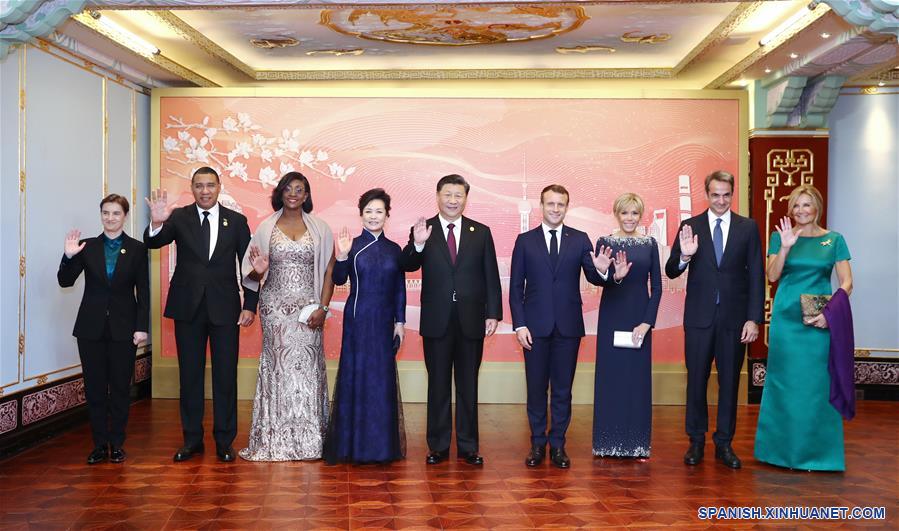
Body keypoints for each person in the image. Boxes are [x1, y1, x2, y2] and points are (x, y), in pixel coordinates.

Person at [144, 166, 258, 463]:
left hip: (225, 309)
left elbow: (250, 268)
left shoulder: (236, 221)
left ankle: (224, 441)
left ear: (219, 187)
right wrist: (156, 222)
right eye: (199, 186)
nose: (205, 191)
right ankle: (192, 439)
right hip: (188, 308)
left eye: (210, 185)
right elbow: (154, 241)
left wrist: (250, 305)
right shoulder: (179, 217)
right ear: (192, 189)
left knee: (225, 376)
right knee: (190, 376)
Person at [400, 174, 502, 466]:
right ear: (438, 196)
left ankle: (469, 447)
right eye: (448, 194)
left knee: (468, 385)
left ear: (466, 198)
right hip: (437, 319)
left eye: (459, 195)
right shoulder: (424, 229)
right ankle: (439, 446)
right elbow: (407, 264)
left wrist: (493, 312)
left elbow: (490, 276)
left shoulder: (480, 232)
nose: (453, 200)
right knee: (439, 384)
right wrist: (418, 245)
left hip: (471, 319)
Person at [665, 170, 764, 469]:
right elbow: (671, 270)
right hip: (698, 318)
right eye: (715, 194)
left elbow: (757, 275)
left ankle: (724, 443)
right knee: (696, 381)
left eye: (726, 195)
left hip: (735, 321)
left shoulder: (748, 228)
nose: (720, 200)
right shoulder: (690, 226)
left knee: (730, 382)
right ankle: (696, 441)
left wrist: (753, 319)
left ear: (732, 194)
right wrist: (684, 256)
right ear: (706, 194)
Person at [754, 184, 853, 471]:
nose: (801, 211)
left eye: (807, 205)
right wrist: (784, 248)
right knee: (784, 383)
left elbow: (847, 282)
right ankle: (779, 453)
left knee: (817, 384)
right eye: (796, 206)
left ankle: (820, 455)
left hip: (820, 322)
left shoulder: (834, 240)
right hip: (786, 322)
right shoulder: (779, 237)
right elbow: (772, 276)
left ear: (817, 208)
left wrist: (831, 314)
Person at [239, 172, 335, 461]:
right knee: (279, 370)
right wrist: (258, 268)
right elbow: (253, 274)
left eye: (300, 190)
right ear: (280, 193)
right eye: (288, 189)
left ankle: (312, 442)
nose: (293, 193)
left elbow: (330, 272)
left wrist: (324, 308)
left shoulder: (320, 228)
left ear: (306, 195)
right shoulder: (265, 228)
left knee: (306, 371)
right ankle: (275, 439)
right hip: (275, 310)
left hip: (310, 311)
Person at [509, 184, 605, 468]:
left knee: (563, 390)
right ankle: (537, 444)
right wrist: (519, 325)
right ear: (541, 206)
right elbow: (516, 288)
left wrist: (601, 269)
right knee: (536, 389)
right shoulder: (525, 241)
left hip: (568, 327)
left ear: (567, 206)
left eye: (560, 204)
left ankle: (558, 445)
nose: (555, 209)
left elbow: (594, 278)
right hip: (534, 329)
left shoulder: (581, 239)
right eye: (550, 204)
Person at [58, 194, 149, 464]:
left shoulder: (137, 248)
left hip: (125, 329)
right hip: (90, 329)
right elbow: (65, 281)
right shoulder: (87, 246)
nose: (110, 218)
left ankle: (117, 444)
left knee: (120, 388)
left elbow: (143, 291)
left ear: (125, 216)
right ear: (101, 216)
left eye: (116, 213)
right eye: (106, 213)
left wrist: (141, 327)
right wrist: (68, 256)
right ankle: (99, 444)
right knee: (95, 389)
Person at [323, 188, 407, 464]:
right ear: (361, 215)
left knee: (380, 381)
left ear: (387, 216)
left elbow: (399, 290)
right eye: (368, 211)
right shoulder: (353, 246)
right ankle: (352, 446)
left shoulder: (395, 250)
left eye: (379, 211)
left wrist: (400, 322)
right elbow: (338, 279)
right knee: (357, 378)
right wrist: (343, 254)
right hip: (358, 320)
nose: (373, 216)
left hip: (384, 323)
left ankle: (380, 447)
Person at [592, 193, 662, 459]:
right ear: (616, 214)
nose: (630, 218)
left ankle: (636, 444)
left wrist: (647, 323)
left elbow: (656, 287)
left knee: (636, 382)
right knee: (612, 379)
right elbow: (603, 281)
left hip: (639, 320)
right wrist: (612, 276)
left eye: (634, 213)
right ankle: (606, 443)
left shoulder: (650, 244)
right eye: (625, 213)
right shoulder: (605, 243)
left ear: (640, 215)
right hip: (611, 317)